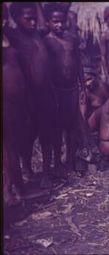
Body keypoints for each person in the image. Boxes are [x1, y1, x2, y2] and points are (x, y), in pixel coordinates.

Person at [8, 3, 57, 188]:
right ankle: (27, 170)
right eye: (27, 18)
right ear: (17, 19)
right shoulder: (14, 38)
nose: (33, 22)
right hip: (28, 96)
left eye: (34, 18)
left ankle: (46, 172)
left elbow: (42, 20)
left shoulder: (39, 34)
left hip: (45, 94)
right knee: (26, 136)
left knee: (47, 133)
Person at [43, 3, 85, 175]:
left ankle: (70, 161)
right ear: (48, 23)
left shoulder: (71, 39)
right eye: (55, 22)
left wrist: (82, 86)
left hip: (72, 90)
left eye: (61, 21)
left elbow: (78, 62)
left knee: (72, 127)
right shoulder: (46, 41)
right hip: (56, 91)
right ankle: (57, 164)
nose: (59, 25)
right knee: (56, 129)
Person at [2, 3, 29, 205]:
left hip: (16, 102)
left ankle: (18, 186)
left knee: (14, 144)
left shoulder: (8, 36)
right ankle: (7, 190)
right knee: (6, 148)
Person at [83, 66, 109, 132]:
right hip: (92, 124)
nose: (87, 83)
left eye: (89, 79)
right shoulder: (86, 93)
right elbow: (83, 116)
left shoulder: (104, 85)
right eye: (84, 81)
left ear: (96, 77)